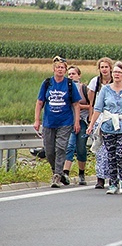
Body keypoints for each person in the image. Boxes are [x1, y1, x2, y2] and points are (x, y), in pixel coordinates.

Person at [87, 61, 122, 195]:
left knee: (121, 153)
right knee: (111, 155)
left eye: (119, 72)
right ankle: (113, 183)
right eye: (114, 72)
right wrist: (92, 124)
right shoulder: (105, 89)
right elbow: (98, 108)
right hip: (108, 125)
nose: (116, 75)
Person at [34, 56, 82, 188]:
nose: (60, 70)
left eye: (62, 68)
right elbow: (39, 102)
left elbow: (76, 105)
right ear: (54, 69)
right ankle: (59, 173)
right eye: (58, 67)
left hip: (65, 122)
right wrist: (37, 120)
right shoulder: (47, 83)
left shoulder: (69, 84)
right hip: (49, 121)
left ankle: (56, 176)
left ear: (65, 70)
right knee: (49, 151)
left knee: (61, 148)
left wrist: (76, 121)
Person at [87, 57, 114, 189]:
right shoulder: (95, 82)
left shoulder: (116, 81)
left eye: (106, 67)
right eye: (102, 67)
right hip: (99, 117)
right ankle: (100, 178)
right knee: (99, 148)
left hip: (112, 117)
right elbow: (91, 103)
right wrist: (91, 120)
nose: (104, 69)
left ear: (111, 68)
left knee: (111, 149)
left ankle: (112, 176)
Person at [64, 65, 90, 185]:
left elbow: (92, 105)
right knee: (69, 146)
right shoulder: (65, 88)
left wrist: (79, 106)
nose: (71, 76)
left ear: (79, 75)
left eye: (73, 74)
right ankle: (65, 173)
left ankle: (81, 173)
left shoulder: (84, 88)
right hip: (69, 122)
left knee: (81, 148)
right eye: (69, 74)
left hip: (82, 121)